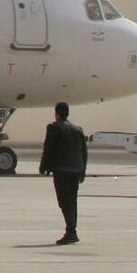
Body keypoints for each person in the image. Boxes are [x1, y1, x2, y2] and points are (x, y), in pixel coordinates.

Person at [38, 101, 88, 245]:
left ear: (57, 113)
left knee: (64, 202)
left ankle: (71, 232)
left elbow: (48, 148)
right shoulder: (78, 129)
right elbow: (84, 152)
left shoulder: (54, 127)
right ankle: (72, 231)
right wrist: (83, 171)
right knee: (72, 201)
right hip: (75, 169)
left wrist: (43, 167)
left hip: (61, 169)